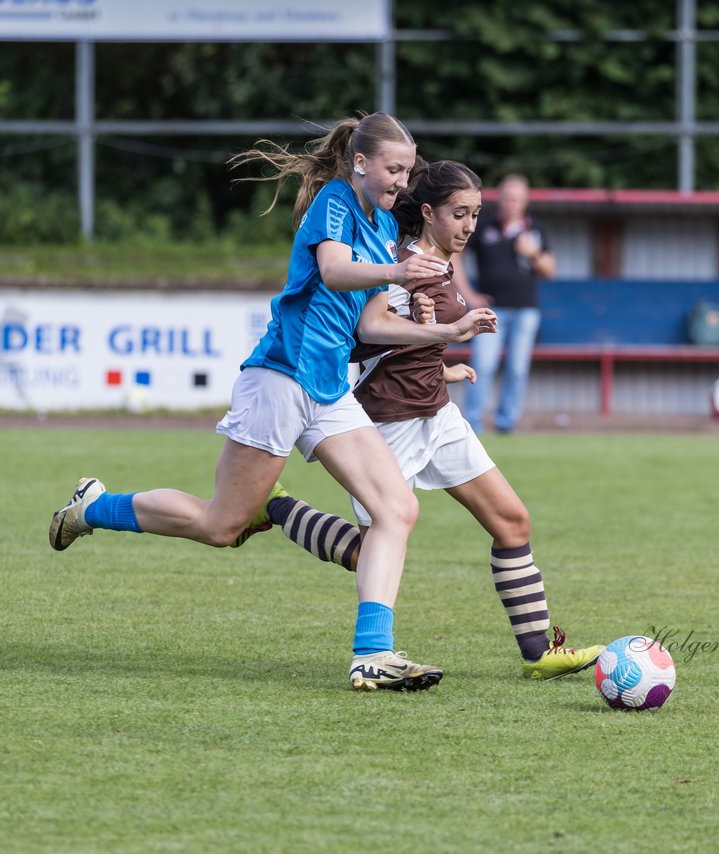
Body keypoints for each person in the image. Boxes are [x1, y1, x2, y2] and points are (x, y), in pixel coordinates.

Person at [46, 113, 498, 692]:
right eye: (393, 169)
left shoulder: (383, 222)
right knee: (221, 525)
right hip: (282, 378)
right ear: (361, 163)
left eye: (408, 171)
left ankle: (373, 655)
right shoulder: (335, 201)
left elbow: (373, 325)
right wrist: (401, 271)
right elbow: (334, 272)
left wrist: (442, 338)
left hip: (331, 387)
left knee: (397, 510)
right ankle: (95, 506)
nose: (401, 182)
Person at [261, 160, 604, 680]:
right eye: (459, 214)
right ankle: (277, 506)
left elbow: (411, 340)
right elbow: (361, 339)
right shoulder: (401, 263)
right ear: (427, 212)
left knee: (512, 521)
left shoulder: (444, 265)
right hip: (388, 422)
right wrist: (432, 328)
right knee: (364, 551)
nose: (470, 225)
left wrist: (446, 364)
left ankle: (540, 652)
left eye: (476, 214)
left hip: (438, 416)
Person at [453, 174, 555, 435]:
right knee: (484, 365)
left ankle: (506, 423)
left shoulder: (535, 230)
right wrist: (469, 295)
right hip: (490, 310)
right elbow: (455, 257)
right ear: (499, 198)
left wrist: (532, 254)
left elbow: (549, 270)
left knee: (517, 368)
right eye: (508, 197)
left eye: (517, 199)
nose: (512, 203)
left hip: (525, 310)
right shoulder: (483, 226)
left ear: (525, 201)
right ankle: (473, 423)